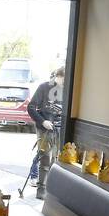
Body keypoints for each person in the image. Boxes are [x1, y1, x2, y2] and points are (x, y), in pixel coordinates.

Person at [26, 66, 65, 199]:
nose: (65, 84)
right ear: (58, 76)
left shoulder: (67, 90)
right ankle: (41, 189)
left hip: (59, 129)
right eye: (64, 80)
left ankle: (51, 190)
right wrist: (43, 122)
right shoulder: (43, 87)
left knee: (56, 160)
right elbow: (30, 108)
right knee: (45, 158)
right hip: (44, 128)